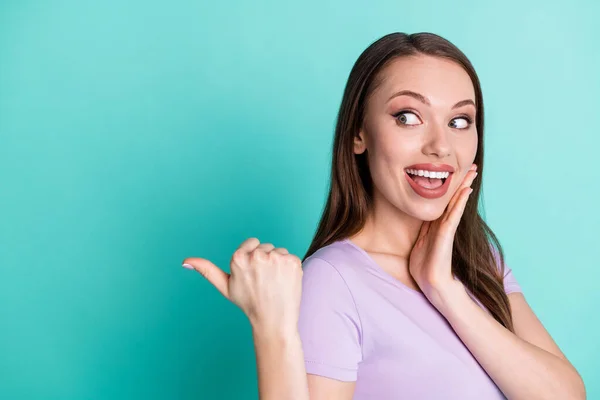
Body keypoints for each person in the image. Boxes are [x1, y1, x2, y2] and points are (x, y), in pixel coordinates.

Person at [182, 32, 586, 399]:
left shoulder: (479, 263)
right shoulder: (333, 281)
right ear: (359, 133)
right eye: (408, 117)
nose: (441, 147)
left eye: (459, 121)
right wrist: (272, 330)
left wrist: (445, 290)